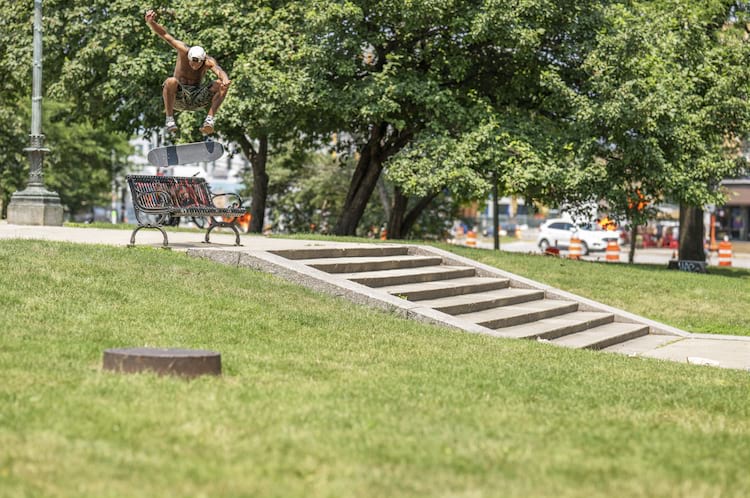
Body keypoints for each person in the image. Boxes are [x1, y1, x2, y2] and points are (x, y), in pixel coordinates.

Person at [144, 9, 231, 135]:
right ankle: (169, 120)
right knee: (171, 81)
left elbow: (219, 71)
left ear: (202, 60)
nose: (193, 65)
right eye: (191, 61)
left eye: (196, 63)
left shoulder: (208, 61)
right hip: (178, 98)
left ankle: (209, 120)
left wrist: (225, 80)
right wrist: (151, 23)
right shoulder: (183, 50)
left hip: (197, 98)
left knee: (220, 84)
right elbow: (165, 35)